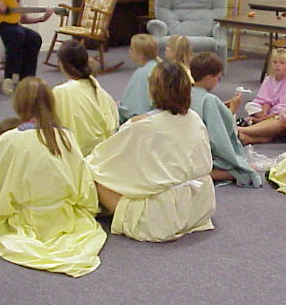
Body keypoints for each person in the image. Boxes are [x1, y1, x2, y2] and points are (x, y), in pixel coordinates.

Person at [0, 77, 107, 277]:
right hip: (64, 217)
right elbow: (84, 185)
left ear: (19, 104)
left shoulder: (11, 139)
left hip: (24, 220)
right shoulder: (66, 136)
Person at [86, 61, 216, 242]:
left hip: (162, 218)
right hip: (200, 207)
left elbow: (102, 160)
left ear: (154, 89)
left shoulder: (143, 125)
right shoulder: (194, 118)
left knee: (93, 174)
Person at [189, 52, 262, 187]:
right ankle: (226, 174)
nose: (218, 81)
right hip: (202, 153)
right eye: (218, 78)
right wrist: (232, 109)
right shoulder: (209, 99)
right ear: (209, 78)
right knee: (245, 170)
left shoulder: (187, 92)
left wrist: (221, 106)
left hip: (185, 149)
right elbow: (219, 133)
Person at [53, 40, 119, 156]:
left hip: (78, 153)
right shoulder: (98, 89)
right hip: (104, 151)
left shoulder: (60, 92)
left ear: (62, 64)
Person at [237, 48, 286, 143]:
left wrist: (267, 117)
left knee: (283, 117)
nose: (278, 65)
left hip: (281, 113)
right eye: (275, 62)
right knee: (250, 106)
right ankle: (259, 125)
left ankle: (248, 129)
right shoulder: (269, 79)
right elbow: (265, 99)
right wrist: (264, 113)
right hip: (268, 112)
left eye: (282, 63)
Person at [118, 34, 160, 124]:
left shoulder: (143, 73)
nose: (129, 51)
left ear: (140, 54)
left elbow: (132, 109)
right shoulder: (159, 66)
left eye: (131, 49)